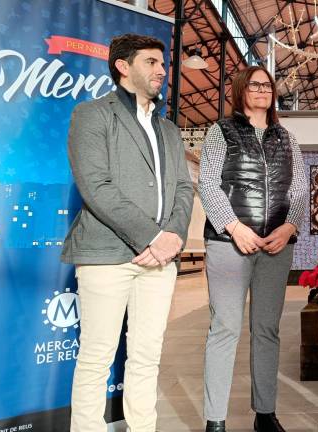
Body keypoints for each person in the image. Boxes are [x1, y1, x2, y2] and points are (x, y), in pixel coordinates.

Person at [62, 33, 194, 432]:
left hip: (160, 262)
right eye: (152, 62)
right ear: (123, 66)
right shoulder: (91, 115)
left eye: (163, 63)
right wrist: (153, 238)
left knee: (147, 356)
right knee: (96, 357)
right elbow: (96, 185)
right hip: (105, 255)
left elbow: (183, 190)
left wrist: (173, 237)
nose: (162, 70)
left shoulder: (168, 129)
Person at [198, 65, 308, 432]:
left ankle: (265, 413)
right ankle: (215, 420)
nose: (262, 90)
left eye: (267, 85)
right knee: (225, 328)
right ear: (242, 90)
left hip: (276, 246)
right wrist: (233, 227)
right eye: (255, 84)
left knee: (266, 330)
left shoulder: (286, 137)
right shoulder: (221, 132)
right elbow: (209, 184)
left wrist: (290, 226)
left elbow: (300, 190)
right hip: (230, 244)